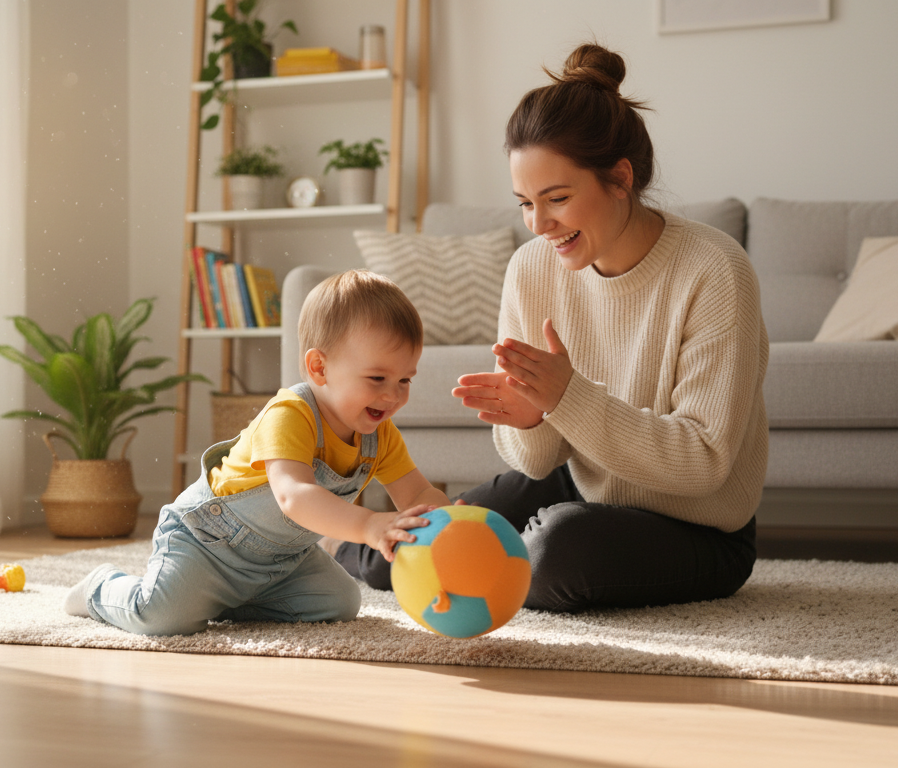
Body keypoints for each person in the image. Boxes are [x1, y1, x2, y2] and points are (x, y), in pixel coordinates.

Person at [335, 43, 768, 612]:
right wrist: (535, 417)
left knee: (555, 552)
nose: (539, 224)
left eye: (558, 198)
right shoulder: (534, 267)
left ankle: (531, 549)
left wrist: (568, 396)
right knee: (424, 535)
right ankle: (318, 543)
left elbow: (704, 462)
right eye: (524, 203)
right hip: (581, 479)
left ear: (619, 179)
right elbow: (533, 460)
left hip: (698, 525)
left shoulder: (714, 269)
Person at [64, 270, 450, 635]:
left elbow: (417, 494)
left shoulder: (380, 437)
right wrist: (369, 526)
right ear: (319, 368)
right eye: (378, 378)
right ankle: (102, 588)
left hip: (282, 560)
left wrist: (442, 523)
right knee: (161, 616)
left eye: (405, 380)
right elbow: (294, 497)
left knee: (340, 602)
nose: (393, 394)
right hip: (207, 543)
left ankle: (217, 600)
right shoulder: (290, 414)